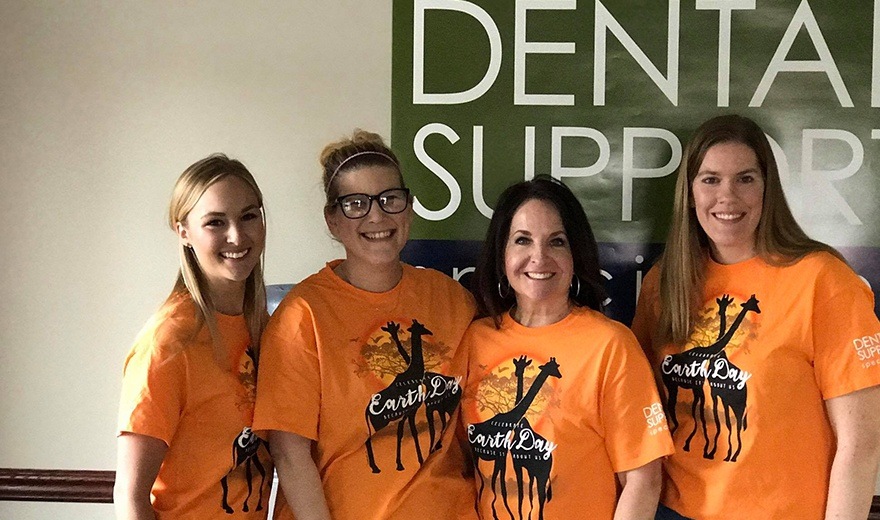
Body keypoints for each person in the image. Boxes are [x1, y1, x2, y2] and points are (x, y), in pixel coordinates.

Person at [631, 114, 880, 520]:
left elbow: (862, 442)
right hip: (672, 510)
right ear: (690, 193)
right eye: (710, 179)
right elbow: (642, 415)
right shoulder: (666, 281)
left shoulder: (822, 279)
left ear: (768, 190)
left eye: (745, 179)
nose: (727, 197)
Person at [253, 130, 477, 520]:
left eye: (390, 199)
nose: (377, 216)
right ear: (332, 219)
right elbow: (290, 456)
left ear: (408, 208)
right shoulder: (302, 315)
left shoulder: (452, 299)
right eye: (356, 204)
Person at [462, 175, 674, 520]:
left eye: (556, 242)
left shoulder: (610, 345)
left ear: (575, 253)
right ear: (501, 253)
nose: (539, 257)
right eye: (522, 240)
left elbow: (643, 480)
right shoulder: (474, 341)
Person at [114, 154, 272, 519]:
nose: (237, 236)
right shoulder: (169, 343)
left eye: (249, 216)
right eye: (215, 222)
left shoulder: (263, 327)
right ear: (183, 231)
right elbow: (129, 497)